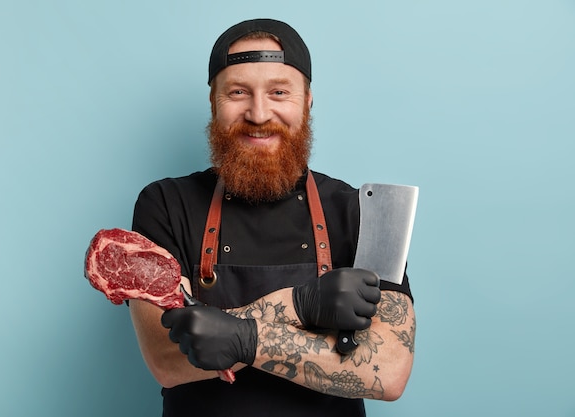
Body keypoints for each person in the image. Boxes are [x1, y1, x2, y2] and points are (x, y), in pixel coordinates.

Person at [129, 18, 415, 417]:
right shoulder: (165, 204)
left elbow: (388, 370)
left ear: (308, 101)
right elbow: (167, 360)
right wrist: (299, 306)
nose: (259, 113)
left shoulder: (363, 213)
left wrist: (242, 337)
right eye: (238, 92)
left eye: (279, 92)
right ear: (213, 102)